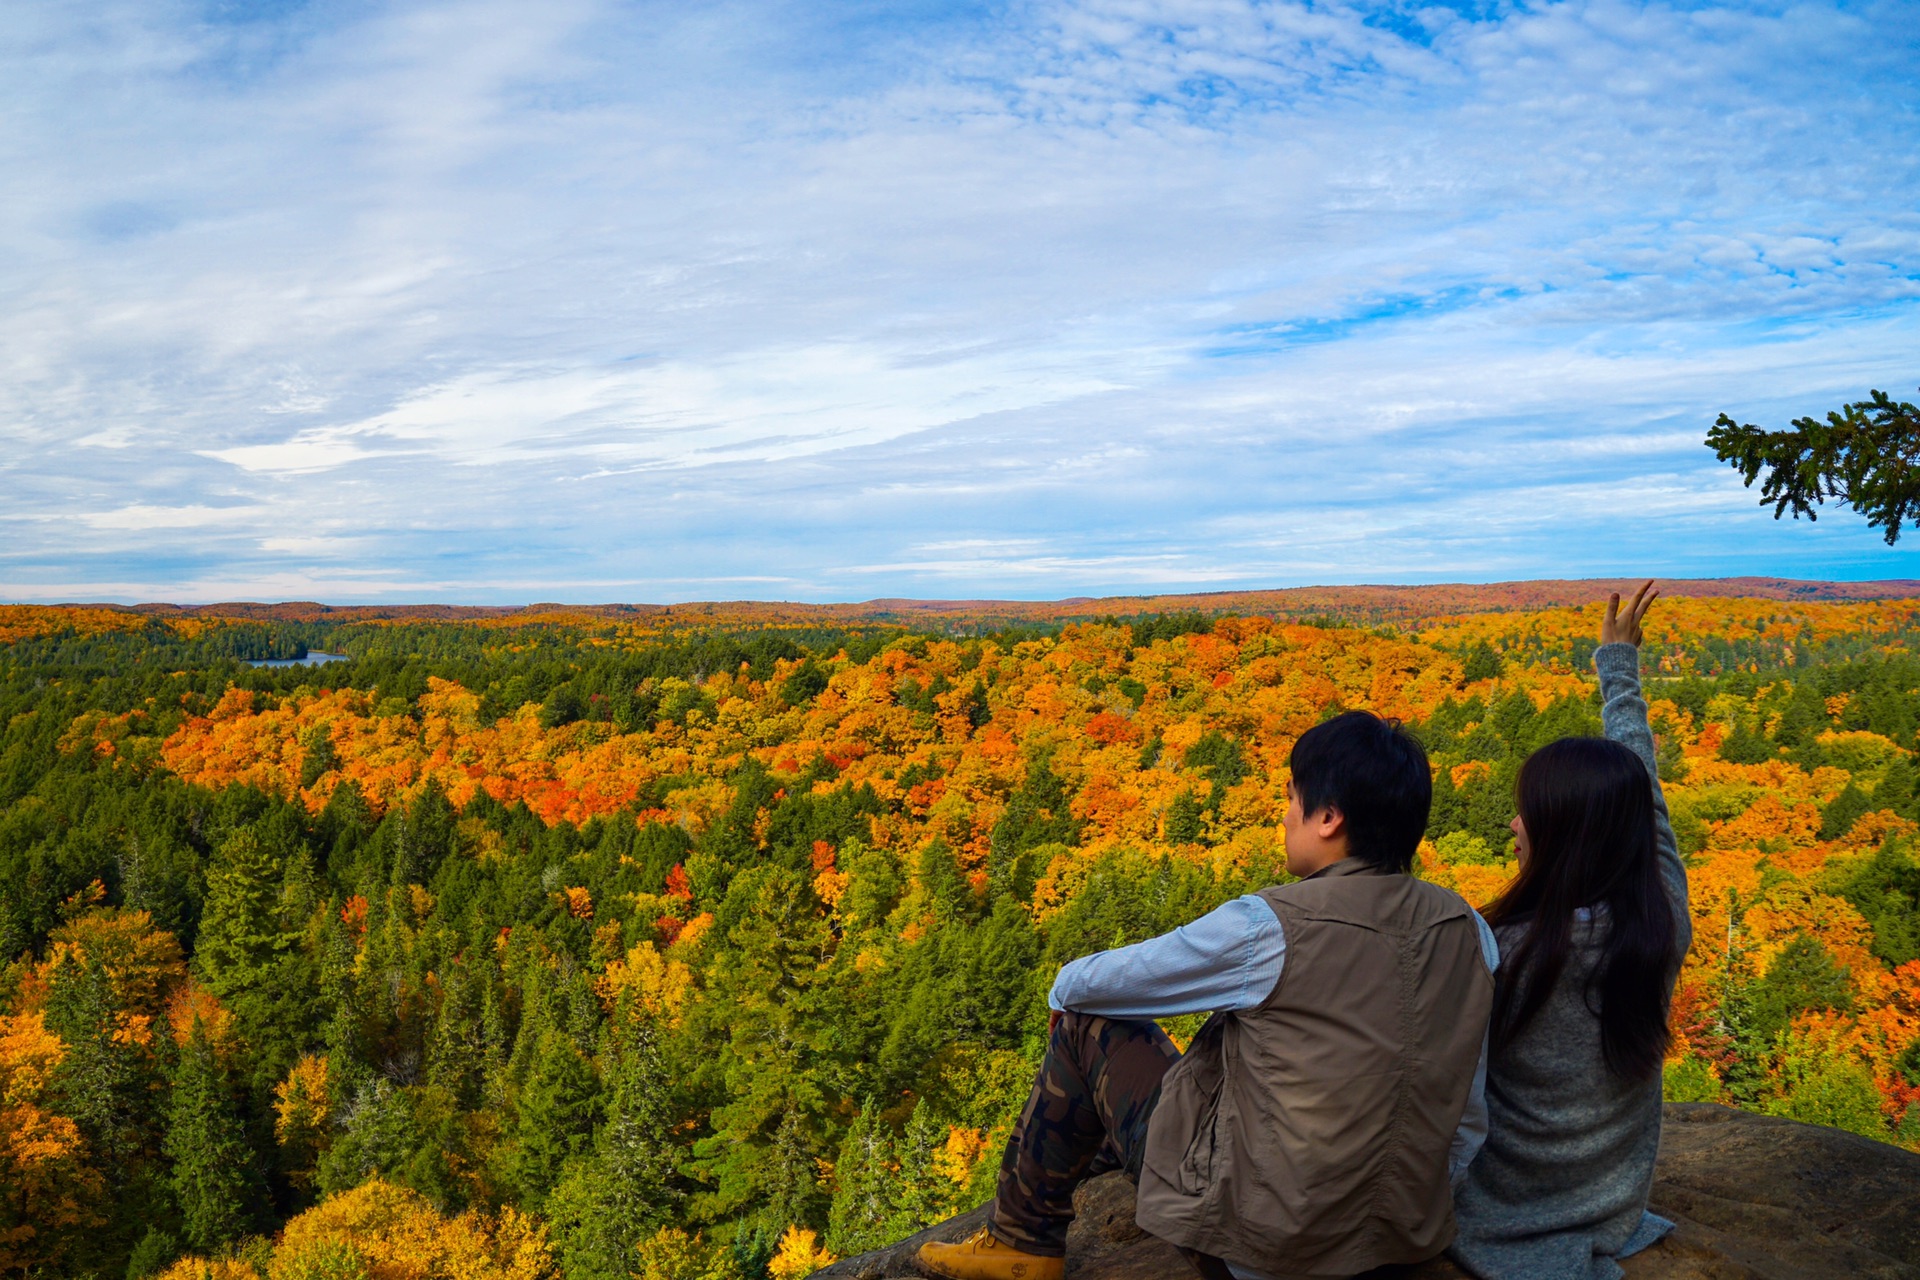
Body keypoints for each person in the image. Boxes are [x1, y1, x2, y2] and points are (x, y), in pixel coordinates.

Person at [917, 710, 1499, 1280]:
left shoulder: (1272, 926)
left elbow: (1092, 982)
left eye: (1292, 799)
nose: (1285, 815)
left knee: (1086, 1022)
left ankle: (1021, 1242)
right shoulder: (1471, 933)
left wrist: (1060, 996)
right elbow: (1467, 1112)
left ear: (1327, 817)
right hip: (1400, 1239)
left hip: (1262, 1253)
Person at [1448, 583, 1692, 1280]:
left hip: (1488, 1218)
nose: (1512, 825)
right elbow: (1646, 802)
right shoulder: (1661, 924)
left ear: (1557, 834)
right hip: (1611, 1211)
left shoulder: (1499, 948)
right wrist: (1619, 669)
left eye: (1526, 814)